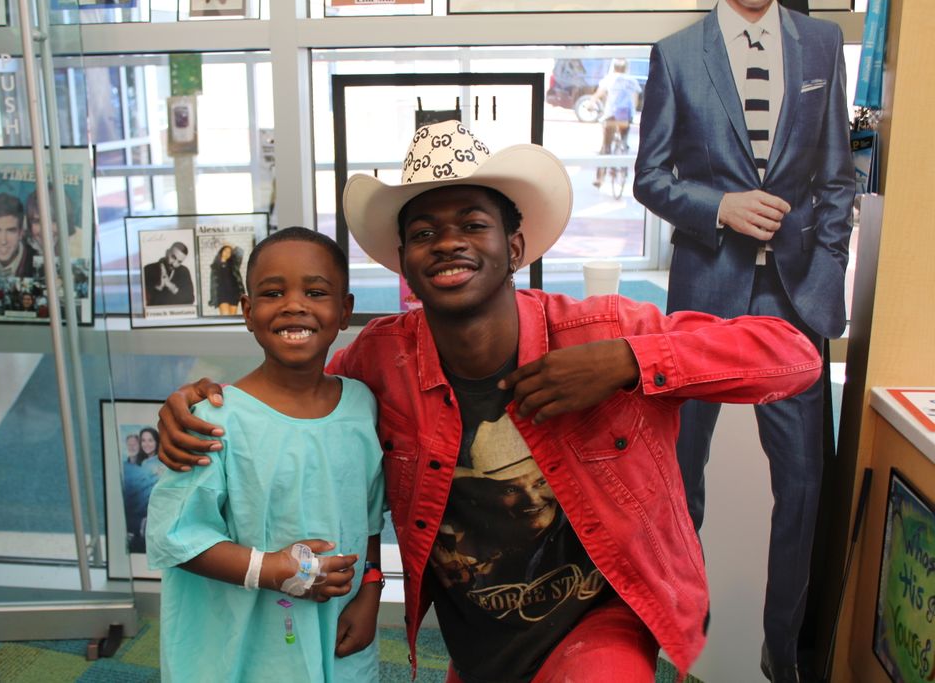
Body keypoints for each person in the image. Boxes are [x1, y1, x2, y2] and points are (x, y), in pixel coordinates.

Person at [156, 120, 822, 682]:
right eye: (424, 233)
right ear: (404, 264)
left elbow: (793, 356)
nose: (448, 241)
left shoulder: (601, 331)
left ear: (517, 245)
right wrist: (195, 403)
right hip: (478, 645)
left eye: (473, 223)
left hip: (601, 623)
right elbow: (293, 390)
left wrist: (626, 362)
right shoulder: (380, 358)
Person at [633, 2, 853, 680]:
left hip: (795, 298)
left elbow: (841, 172)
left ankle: (781, 652)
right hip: (707, 294)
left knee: (803, 485)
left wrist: (827, 265)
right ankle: (685, 636)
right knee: (682, 476)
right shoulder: (675, 54)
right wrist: (719, 207)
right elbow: (651, 176)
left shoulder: (821, 43)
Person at [145, 226, 385, 682]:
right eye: (274, 293)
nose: (295, 305)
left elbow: (368, 513)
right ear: (249, 313)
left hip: (336, 628)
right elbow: (174, 536)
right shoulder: (216, 419)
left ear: (344, 311)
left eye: (316, 291)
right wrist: (272, 569)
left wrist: (370, 586)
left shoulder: (361, 404)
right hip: (245, 642)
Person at [592, 58, 642, 189]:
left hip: (611, 116)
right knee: (624, 140)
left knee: (606, 145)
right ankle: (623, 156)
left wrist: (591, 103)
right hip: (625, 117)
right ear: (626, 68)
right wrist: (631, 115)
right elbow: (635, 100)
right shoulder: (632, 81)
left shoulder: (610, 78)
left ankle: (600, 177)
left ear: (613, 67)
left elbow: (599, 94)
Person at [143, 241, 195, 307]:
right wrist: (159, 287)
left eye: (179, 262)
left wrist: (171, 286)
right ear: (167, 252)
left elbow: (190, 299)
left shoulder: (184, 271)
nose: (174, 263)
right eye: (173, 257)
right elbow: (143, 300)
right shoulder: (148, 269)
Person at [207, 243, 244, 316]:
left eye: (229, 252)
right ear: (221, 252)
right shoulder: (215, 266)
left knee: (233, 317)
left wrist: (231, 245)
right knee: (225, 316)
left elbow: (240, 252)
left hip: (234, 293)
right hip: (222, 294)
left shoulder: (234, 264)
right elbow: (213, 284)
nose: (227, 253)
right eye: (225, 250)